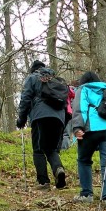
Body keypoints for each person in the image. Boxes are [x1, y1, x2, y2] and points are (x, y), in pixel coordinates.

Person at [71, 71, 106, 209]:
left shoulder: (83, 89)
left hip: (91, 129)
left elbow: (79, 108)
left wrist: (77, 127)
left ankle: (86, 194)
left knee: (84, 160)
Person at [16, 60, 68, 190]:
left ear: (33, 69)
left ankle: (43, 182)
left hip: (41, 116)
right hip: (59, 117)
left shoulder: (32, 78)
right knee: (51, 148)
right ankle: (58, 169)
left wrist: (21, 119)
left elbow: (26, 98)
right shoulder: (55, 79)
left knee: (38, 149)